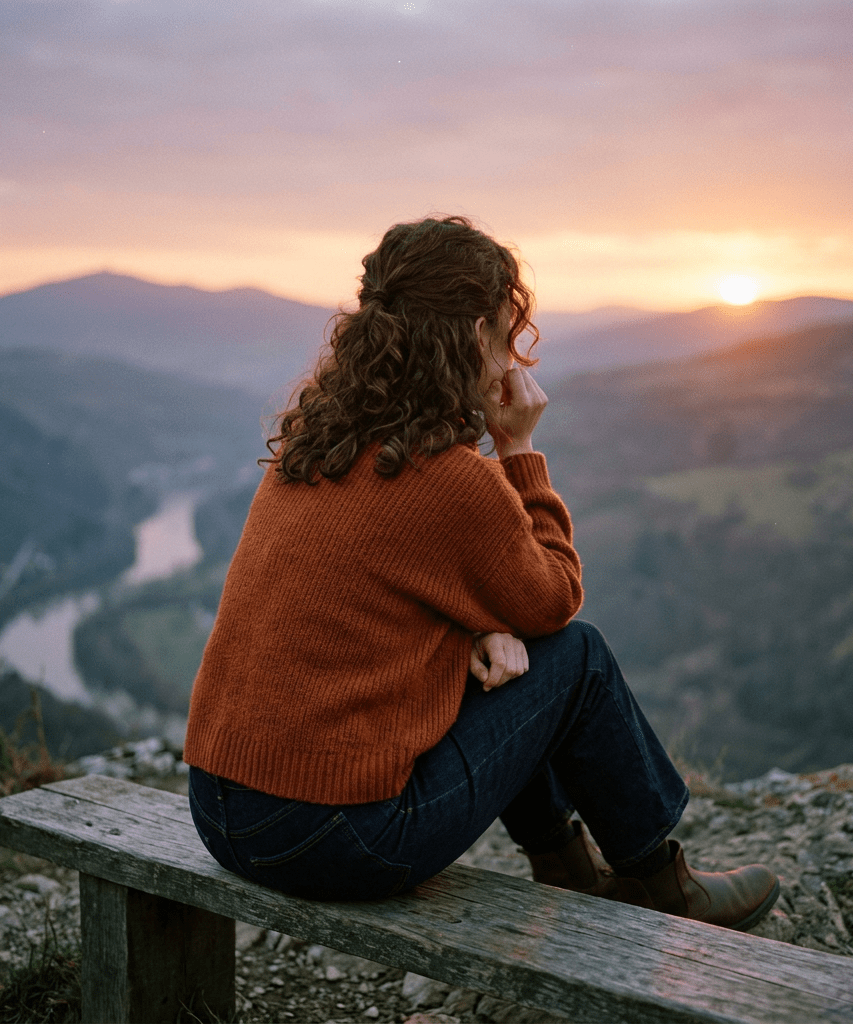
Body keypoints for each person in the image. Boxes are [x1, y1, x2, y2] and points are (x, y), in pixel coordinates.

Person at [184, 215, 779, 930]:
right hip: (335, 839)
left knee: (530, 660)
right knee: (577, 657)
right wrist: (519, 449)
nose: (511, 358)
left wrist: (483, 628)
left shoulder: (314, 447)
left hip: (222, 815)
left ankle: (569, 870)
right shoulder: (449, 477)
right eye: (505, 333)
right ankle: (663, 885)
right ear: (473, 337)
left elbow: (379, 596)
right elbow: (554, 597)